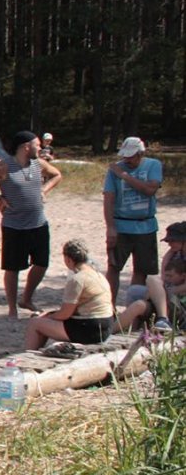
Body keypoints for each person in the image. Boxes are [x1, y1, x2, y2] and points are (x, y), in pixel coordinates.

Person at [0, 130, 61, 317]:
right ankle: (12, 308)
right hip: (14, 225)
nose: (41, 147)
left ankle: (27, 298)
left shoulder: (39, 164)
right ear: (26, 147)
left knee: (41, 263)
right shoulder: (3, 167)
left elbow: (56, 175)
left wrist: (44, 190)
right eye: (37, 144)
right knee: (12, 268)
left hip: (38, 223)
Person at [26, 239, 116, 348]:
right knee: (44, 320)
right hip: (106, 325)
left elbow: (65, 314)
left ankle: (29, 353)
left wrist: (47, 317)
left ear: (68, 259)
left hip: (90, 328)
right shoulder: (99, 275)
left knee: (35, 323)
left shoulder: (78, 279)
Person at [105, 136, 164, 295]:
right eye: (125, 156)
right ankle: (110, 306)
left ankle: (133, 303)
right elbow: (108, 199)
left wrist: (124, 176)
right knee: (114, 266)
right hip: (121, 225)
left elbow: (150, 189)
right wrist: (110, 227)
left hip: (145, 226)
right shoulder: (114, 170)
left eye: (130, 156)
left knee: (142, 269)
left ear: (140, 154)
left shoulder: (153, 165)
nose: (126, 160)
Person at [118, 249, 184, 332]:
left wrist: (168, 291)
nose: (167, 279)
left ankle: (163, 319)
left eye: (170, 276)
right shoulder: (175, 254)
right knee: (138, 302)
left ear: (183, 276)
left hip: (179, 312)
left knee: (152, 279)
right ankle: (110, 332)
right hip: (166, 306)